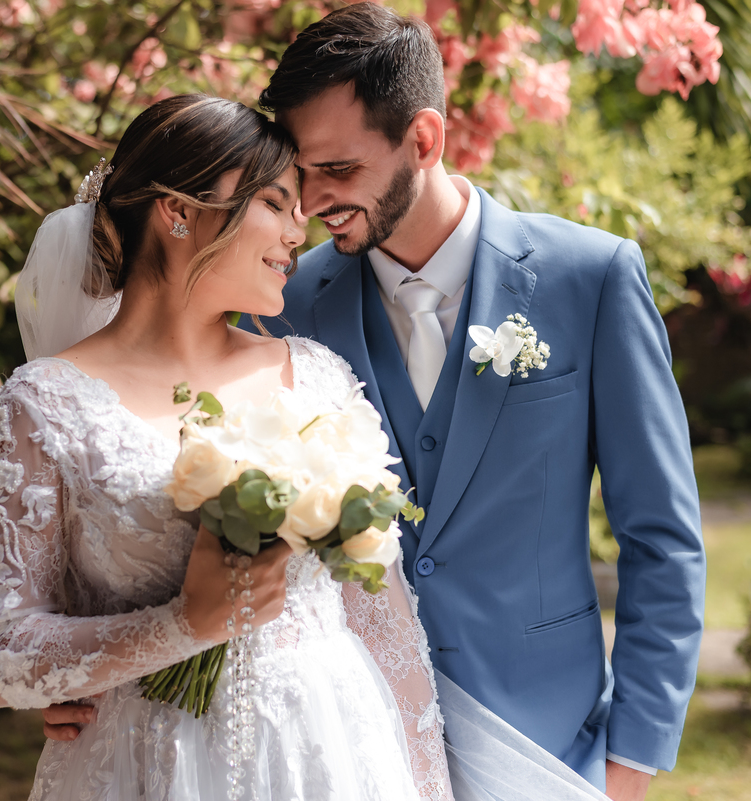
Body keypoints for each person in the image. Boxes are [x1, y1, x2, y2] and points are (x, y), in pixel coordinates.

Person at [0, 94, 616, 801]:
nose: (299, 230)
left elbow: (386, 626)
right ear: (178, 211)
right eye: (275, 203)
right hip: (144, 769)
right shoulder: (38, 410)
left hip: (333, 756)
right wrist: (181, 626)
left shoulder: (318, 376)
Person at [247, 4, 703, 800]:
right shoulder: (285, 305)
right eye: (301, 171)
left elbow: (662, 539)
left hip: (544, 744)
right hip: (348, 742)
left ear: (424, 139)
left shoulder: (590, 279)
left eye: (340, 171)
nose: (311, 201)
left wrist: (628, 765)